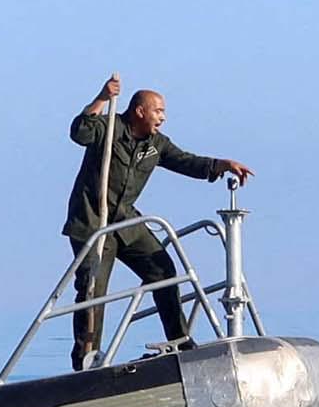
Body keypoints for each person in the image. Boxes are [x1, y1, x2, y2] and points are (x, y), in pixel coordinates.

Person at [64, 75, 253, 370]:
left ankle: (178, 340)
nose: (162, 118)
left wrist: (220, 165)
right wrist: (102, 97)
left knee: (163, 270)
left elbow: (185, 161)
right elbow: (80, 132)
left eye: (163, 112)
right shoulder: (109, 128)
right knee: (92, 288)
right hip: (92, 221)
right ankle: (86, 361)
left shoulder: (156, 144)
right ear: (140, 111)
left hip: (126, 221)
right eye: (158, 111)